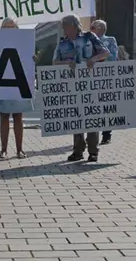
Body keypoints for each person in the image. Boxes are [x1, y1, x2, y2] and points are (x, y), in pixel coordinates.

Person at [53, 14, 109, 162]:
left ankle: (93, 151)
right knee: (76, 117)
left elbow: (105, 52)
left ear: (74, 25)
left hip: (90, 83)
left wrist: (93, 59)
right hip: (72, 84)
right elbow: (54, 62)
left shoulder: (89, 37)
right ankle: (78, 150)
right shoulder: (62, 42)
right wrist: (66, 63)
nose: (64, 29)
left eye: (66, 26)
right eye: (63, 26)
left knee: (91, 117)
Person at [0, 18, 33, 159]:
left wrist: (33, 60)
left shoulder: (24, 42)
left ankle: (19, 149)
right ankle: (3, 149)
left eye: (11, 27)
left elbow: (28, 60)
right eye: (6, 27)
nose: (9, 30)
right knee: (4, 116)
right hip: (2, 83)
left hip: (18, 82)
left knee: (18, 116)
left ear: (16, 29)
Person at [90, 19, 119, 145]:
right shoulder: (87, 41)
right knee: (92, 106)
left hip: (106, 77)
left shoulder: (110, 40)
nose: (94, 30)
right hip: (91, 78)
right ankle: (92, 134)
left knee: (107, 107)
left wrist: (97, 57)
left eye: (96, 28)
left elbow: (113, 57)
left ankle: (107, 134)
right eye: (94, 27)